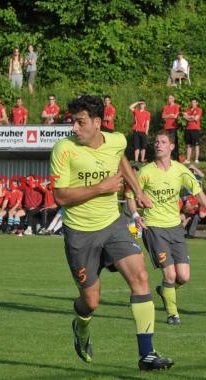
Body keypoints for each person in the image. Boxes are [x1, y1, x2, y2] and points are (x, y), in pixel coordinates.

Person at [50, 95, 173, 371]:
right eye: (73, 122)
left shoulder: (116, 140)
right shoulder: (63, 150)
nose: (74, 128)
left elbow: (120, 161)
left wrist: (138, 191)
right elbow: (60, 196)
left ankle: (147, 354)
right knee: (91, 302)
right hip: (80, 233)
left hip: (113, 225)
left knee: (140, 276)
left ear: (97, 123)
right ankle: (80, 328)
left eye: (80, 122)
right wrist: (101, 188)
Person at [127, 130, 206, 326]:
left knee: (184, 276)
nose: (158, 145)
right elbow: (130, 196)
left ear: (171, 147)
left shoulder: (180, 170)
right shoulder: (146, 171)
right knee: (170, 274)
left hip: (175, 228)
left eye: (163, 142)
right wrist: (136, 215)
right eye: (156, 141)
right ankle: (173, 314)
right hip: (154, 228)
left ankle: (165, 291)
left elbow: (198, 194)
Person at [183, 97, 202, 164]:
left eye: (194, 102)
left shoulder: (199, 109)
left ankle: (196, 159)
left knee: (196, 144)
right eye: (192, 102)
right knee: (188, 145)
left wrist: (189, 117)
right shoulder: (188, 109)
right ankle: (188, 159)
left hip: (195, 129)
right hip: (188, 129)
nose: (192, 103)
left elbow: (196, 119)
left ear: (197, 103)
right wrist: (192, 117)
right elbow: (184, 117)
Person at [161, 95, 180, 160]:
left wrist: (167, 116)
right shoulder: (165, 107)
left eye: (171, 98)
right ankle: (168, 157)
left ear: (173, 99)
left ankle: (175, 158)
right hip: (166, 127)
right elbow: (163, 116)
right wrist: (170, 115)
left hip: (173, 127)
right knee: (166, 142)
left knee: (173, 142)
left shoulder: (176, 106)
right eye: (168, 98)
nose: (169, 99)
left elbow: (175, 116)